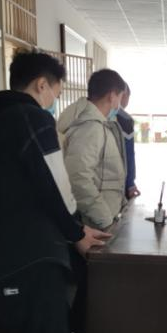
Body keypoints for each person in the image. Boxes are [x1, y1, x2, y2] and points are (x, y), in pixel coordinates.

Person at [0, 51, 110, 333]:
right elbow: (55, 185)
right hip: (28, 262)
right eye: (55, 95)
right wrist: (77, 233)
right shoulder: (32, 119)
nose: (53, 104)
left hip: (0, 259)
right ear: (41, 84)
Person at [57, 69, 128, 230]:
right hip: (96, 224)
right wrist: (104, 218)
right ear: (112, 96)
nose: (119, 104)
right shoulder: (91, 128)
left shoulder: (99, 124)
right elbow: (78, 178)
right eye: (119, 97)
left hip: (103, 219)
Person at [116, 83, 141, 199]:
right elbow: (129, 154)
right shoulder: (125, 119)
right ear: (123, 95)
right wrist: (130, 184)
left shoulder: (79, 114)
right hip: (119, 182)